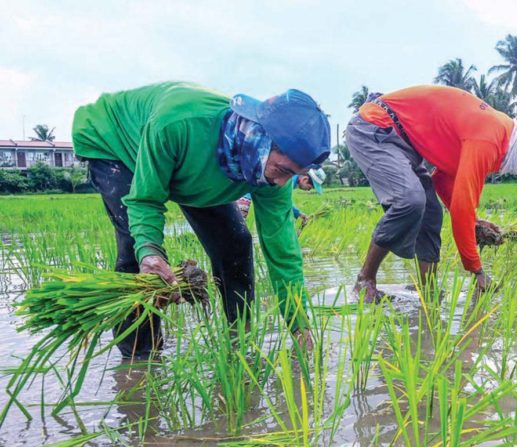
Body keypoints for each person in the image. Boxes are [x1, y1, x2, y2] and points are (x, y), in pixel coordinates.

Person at [72, 81, 330, 357]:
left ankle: (239, 341)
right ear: (258, 137)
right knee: (138, 256)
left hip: (187, 166)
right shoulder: (179, 122)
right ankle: (140, 360)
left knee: (236, 243)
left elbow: (284, 256)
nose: (281, 183)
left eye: (292, 175)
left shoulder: (268, 176)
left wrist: (300, 328)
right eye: (281, 169)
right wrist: (149, 252)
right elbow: (145, 200)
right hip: (116, 141)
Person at [345, 85, 517, 302]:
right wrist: (476, 270)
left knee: (431, 212)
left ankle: (428, 290)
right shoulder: (489, 139)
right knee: (410, 200)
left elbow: (441, 180)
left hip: (403, 143)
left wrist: (474, 222)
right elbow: (462, 206)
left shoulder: (498, 139)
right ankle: (365, 280)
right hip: (375, 127)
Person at [236, 168, 326, 224]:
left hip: (249, 192)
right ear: (305, 179)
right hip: (245, 194)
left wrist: (299, 214)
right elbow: (284, 202)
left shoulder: (292, 179)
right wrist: (299, 214)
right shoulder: (289, 180)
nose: (309, 190)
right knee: (237, 226)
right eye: (311, 187)